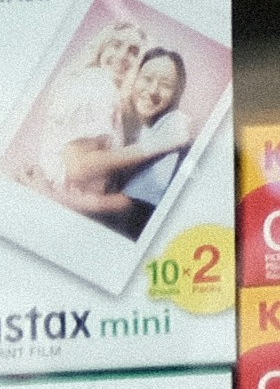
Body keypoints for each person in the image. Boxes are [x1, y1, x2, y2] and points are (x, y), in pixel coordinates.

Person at [20, 31, 201, 243]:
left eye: (166, 85)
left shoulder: (171, 127)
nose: (153, 90)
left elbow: (125, 203)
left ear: (176, 95)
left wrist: (51, 197)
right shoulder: (103, 93)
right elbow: (77, 162)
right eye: (147, 78)